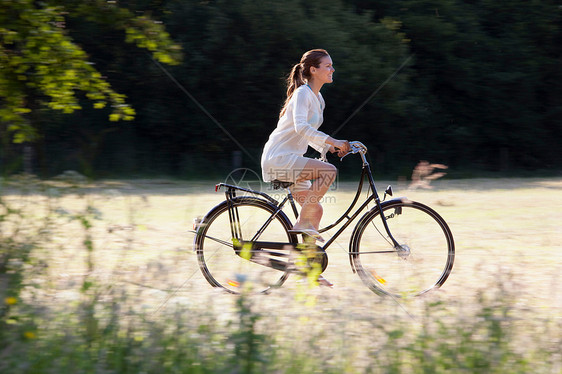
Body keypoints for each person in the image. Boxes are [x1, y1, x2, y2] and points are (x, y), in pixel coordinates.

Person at [261, 49, 350, 244]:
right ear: (313, 70)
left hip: (292, 160)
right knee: (329, 172)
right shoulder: (302, 93)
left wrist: (328, 148)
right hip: (280, 158)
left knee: (315, 209)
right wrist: (331, 140)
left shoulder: (318, 99)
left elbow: (306, 134)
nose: (332, 69)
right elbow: (301, 126)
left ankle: (310, 269)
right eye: (327, 66)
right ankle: (301, 223)